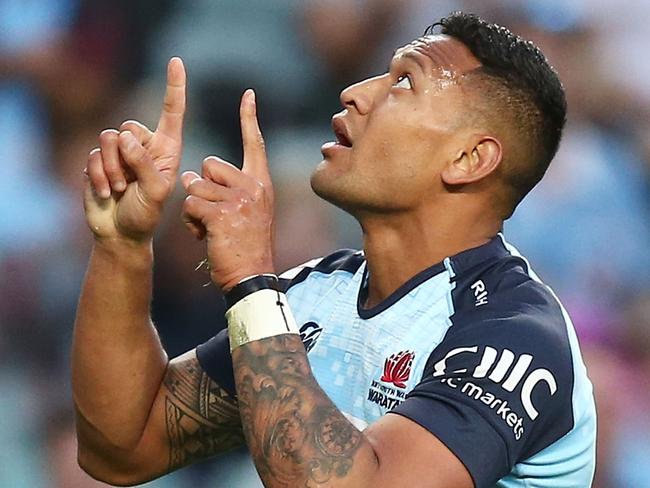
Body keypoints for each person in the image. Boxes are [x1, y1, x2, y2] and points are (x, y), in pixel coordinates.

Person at [72, 12, 596, 488]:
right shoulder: (318, 296)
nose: (355, 93)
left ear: (468, 158)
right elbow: (123, 447)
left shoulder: (516, 337)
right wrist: (122, 244)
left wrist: (253, 282)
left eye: (405, 81)